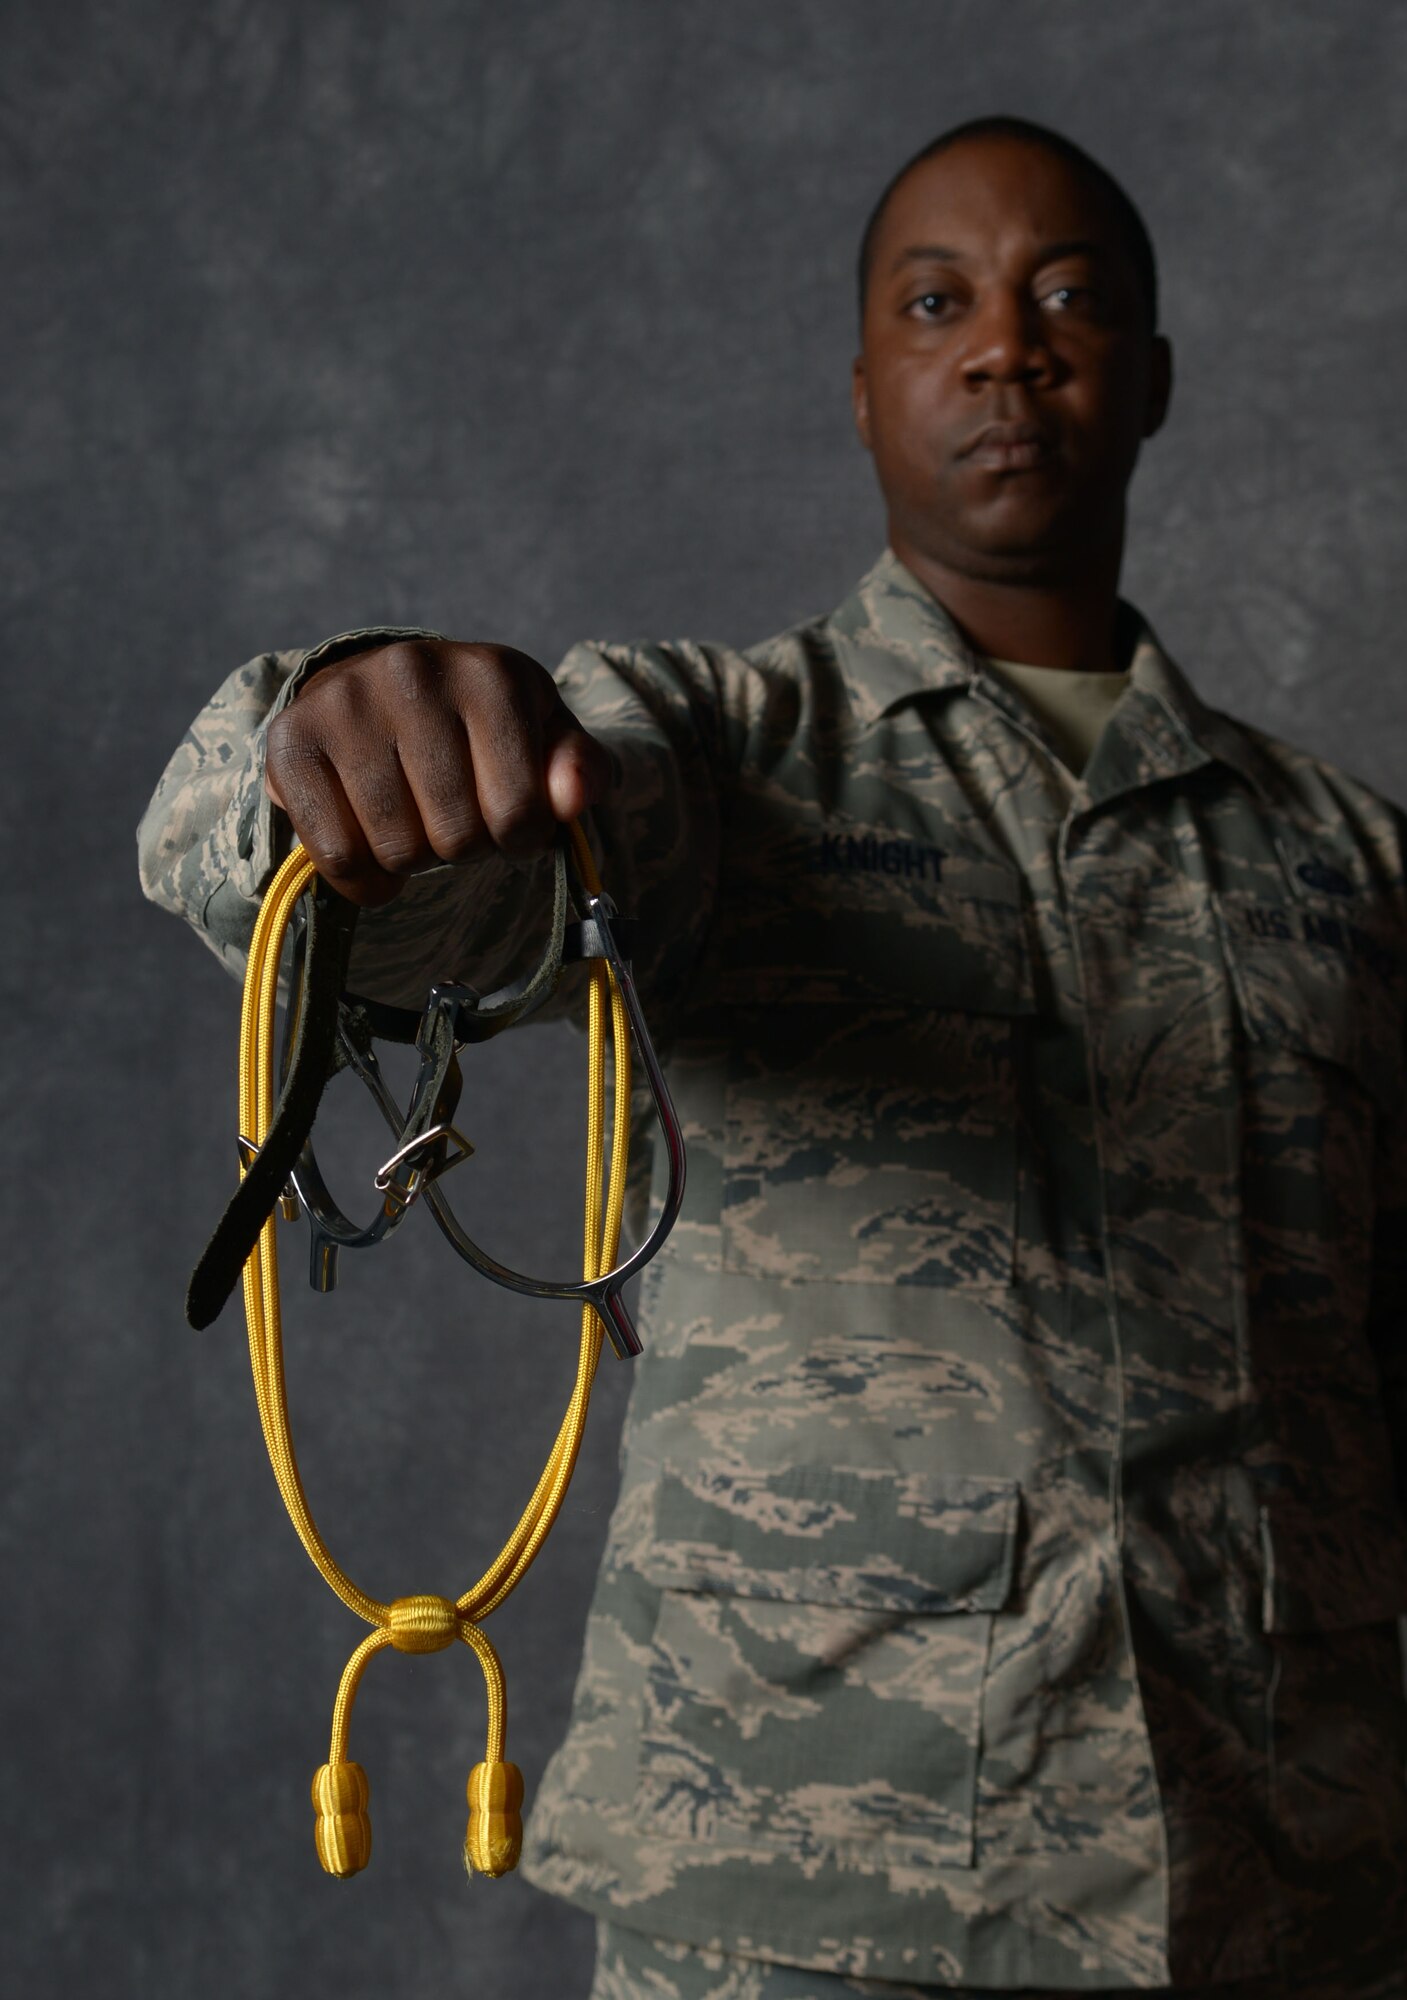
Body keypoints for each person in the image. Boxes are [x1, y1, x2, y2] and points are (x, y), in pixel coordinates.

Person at [138, 117, 1407, 1999]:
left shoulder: (1348, 859)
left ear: (1151, 377)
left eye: (1069, 299)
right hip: (809, 1905)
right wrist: (362, 755)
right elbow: (434, 896)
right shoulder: (718, 754)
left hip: (1285, 1907)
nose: (1005, 346)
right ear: (866, 386)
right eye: (937, 302)